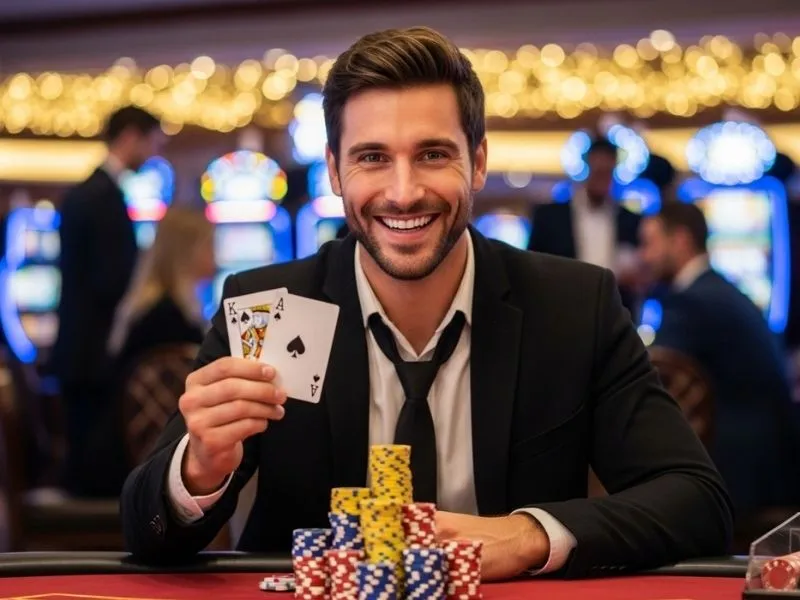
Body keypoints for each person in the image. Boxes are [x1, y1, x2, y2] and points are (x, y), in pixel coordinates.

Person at [121, 27, 732, 579]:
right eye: (372, 157)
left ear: (479, 162)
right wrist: (198, 470)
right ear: (335, 172)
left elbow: (695, 499)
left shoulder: (574, 306)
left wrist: (527, 535)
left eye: (433, 154)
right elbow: (147, 528)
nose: (404, 191)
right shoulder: (270, 305)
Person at [638, 201, 800, 514]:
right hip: (770, 458)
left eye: (650, 243)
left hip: (739, 468)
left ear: (680, 240)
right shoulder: (720, 289)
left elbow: (648, 380)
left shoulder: (691, 301)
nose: (644, 256)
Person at [50, 106, 165, 496]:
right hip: (92, 352)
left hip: (80, 347)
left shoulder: (89, 191)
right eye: (151, 143)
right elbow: (109, 280)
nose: (152, 155)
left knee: (86, 457)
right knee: (91, 469)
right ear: (130, 136)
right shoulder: (102, 195)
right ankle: (89, 546)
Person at [527, 139, 642, 311]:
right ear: (587, 168)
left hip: (615, 313)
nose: (602, 179)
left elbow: (642, 273)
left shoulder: (630, 220)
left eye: (607, 173)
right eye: (598, 171)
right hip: (562, 310)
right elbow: (532, 268)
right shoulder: (550, 218)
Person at [109, 206, 215, 370]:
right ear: (188, 251)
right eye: (209, 245)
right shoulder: (168, 318)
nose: (215, 255)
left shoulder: (155, 307)